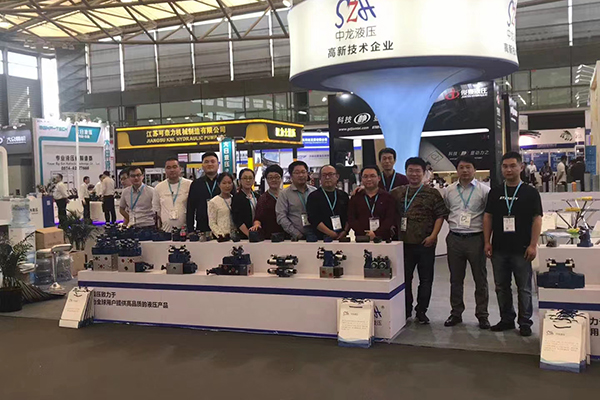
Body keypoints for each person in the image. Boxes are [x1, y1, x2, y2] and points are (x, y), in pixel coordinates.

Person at [483, 151, 543, 337]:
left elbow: (537, 219)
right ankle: (507, 319)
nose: (508, 170)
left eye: (512, 166)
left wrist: (533, 245)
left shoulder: (530, 192)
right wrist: (487, 242)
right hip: (499, 248)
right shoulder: (495, 192)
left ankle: (525, 322)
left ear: (521, 167)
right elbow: (488, 217)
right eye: (505, 166)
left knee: (524, 288)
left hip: (522, 249)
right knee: (501, 286)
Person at [391, 157, 449, 324]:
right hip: (403, 244)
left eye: (418, 171)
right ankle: (406, 309)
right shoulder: (397, 192)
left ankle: (422, 311)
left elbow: (440, 216)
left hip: (426, 243)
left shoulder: (432, 193)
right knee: (405, 279)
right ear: (406, 172)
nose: (414, 174)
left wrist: (433, 236)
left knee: (426, 280)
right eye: (411, 170)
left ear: (424, 173)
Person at [442, 155, 491, 329]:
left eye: (468, 167)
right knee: (455, 279)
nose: (464, 171)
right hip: (455, 238)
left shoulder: (484, 191)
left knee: (480, 279)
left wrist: (487, 240)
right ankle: (456, 313)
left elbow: (488, 216)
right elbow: (447, 211)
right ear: (457, 170)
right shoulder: (449, 190)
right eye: (461, 167)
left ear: (474, 170)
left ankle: (482, 315)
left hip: (476, 238)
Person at [348, 165, 396, 240]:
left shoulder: (387, 197)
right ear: (361, 179)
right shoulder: (355, 197)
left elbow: (390, 219)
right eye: (365, 176)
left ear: (379, 178)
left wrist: (376, 234)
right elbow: (351, 219)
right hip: (361, 239)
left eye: (372, 176)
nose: (369, 179)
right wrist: (365, 234)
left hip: (383, 240)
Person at [276, 160, 317, 240]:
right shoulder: (284, 194)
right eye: (297, 173)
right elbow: (281, 217)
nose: (301, 175)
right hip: (295, 238)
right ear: (291, 176)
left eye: (303, 172)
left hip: (316, 235)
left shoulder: (314, 191)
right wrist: (297, 234)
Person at [307, 165, 350, 240]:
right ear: (320, 178)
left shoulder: (344, 196)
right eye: (324, 175)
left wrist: (345, 231)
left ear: (337, 176)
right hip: (321, 239)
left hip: (342, 238)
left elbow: (349, 216)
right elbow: (314, 219)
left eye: (330, 174)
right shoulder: (313, 196)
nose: (327, 177)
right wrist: (330, 233)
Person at [152, 158, 192, 232]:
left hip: (186, 231)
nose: (172, 170)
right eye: (168, 168)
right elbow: (156, 210)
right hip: (165, 231)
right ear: (165, 170)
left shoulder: (189, 185)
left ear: (180, 169)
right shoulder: (158, 187)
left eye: (174, 167)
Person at [187, 152, 220, 234]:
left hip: (222, 226)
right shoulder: (196, 184)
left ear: (218, 164)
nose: (209, 164)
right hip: (202, 227)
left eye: (213, 161)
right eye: (206, 162)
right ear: (202, 165)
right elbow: (190, 208)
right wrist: (190, 230)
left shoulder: (225, 182)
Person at [250, 165, 285, 239]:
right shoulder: (263, 198)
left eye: (276, 177)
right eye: (270, 178)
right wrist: (256, 225)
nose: (273, 180)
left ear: (281, 178)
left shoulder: (286, 195)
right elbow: (258, 217)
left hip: (287, 235)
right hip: (269, 237)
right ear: (266, 180)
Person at [232, 168, 260, 238]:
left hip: (258, 232)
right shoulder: (236, 198)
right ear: (239, 181)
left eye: (250, 178)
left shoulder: (258, 196)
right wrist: (248, 234)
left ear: (254, 180)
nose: (248, 180)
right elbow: (237, 219)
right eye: (245, 178)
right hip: (244, 236)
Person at [208, 172, 236, 239]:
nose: (227, 186)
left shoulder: (235, 199)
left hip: (235, 237)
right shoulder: (213, 202)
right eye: (224, 183)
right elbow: (212, 223)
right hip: (221, 238)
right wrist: (221, 235)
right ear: (218, 184)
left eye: (229, 183)